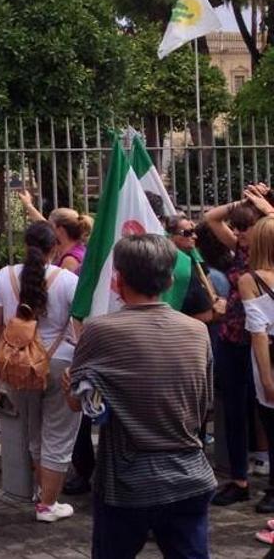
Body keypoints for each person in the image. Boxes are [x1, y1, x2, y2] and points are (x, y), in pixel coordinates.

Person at [66, 235, 214, 558]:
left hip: (126, 482)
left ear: (118, 280)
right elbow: (203, 403)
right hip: (189, 473)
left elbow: (77, 402)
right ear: (170, 279)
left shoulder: (100, 330)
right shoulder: (197, 331)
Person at [0, 221, 82, 522]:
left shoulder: (4, 276)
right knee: (59, 433)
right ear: (55, 247)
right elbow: (81, 324)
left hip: (19, 366)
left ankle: (41, 494)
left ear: (25, 245)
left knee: (33, 432)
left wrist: (16, 344)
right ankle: (48, 504)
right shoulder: (68, 280)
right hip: (60, 361)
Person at [203, 189, 266, 505]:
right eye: (237, 227)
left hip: (262, 340)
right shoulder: (239, 250)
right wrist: (243, 203)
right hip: (232, 336)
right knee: (234, 409)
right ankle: (239, 479)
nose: (239, 233)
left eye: (246, 226)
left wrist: (267, 209)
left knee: (267, 411)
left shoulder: (268, 252)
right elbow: (211, 218)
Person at [242, 217, 274, 529]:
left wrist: (266, 378)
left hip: (269, 360)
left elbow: (258, 332)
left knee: (270, 424)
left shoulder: (250, 280)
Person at [16, 191, 92, 273]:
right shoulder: (70, 247)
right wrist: (28, 205)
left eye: (51, 226)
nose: (47, 230)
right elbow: (43, 222)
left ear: (60, 230)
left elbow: (60, 281)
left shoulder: (70, 260)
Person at [167, 213, 222, 323]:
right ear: (171, 236)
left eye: (194, 231)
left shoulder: (196, 259)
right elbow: (205, 316)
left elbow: (211, 290)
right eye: (188, 233)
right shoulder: (171, 267)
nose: (195, 236)